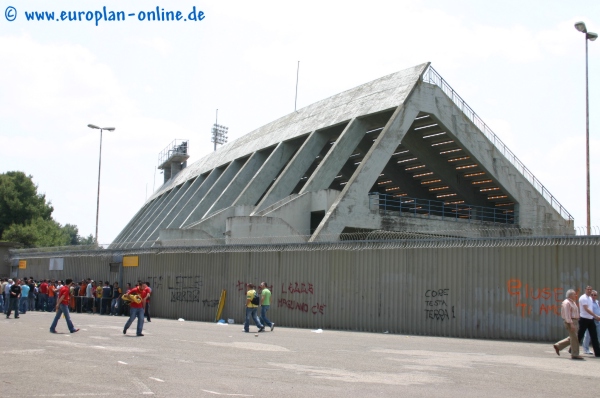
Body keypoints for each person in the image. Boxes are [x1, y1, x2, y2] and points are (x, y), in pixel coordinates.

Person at [553, 289, 583, 359]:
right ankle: (575, 354)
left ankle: (558, 346)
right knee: (574, 338)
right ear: (570, 295)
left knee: (573, 337)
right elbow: (567, 315)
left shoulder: (573, 302)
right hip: (570, 321)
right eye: (574, 294)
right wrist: (571, 324)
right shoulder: (566, 303)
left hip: (575, 321)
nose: (576, 295)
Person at [578, 285, 600, 357]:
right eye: (588, 289)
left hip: (590, 320)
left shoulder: (590, 298)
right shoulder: (583, 298)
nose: (589, 291)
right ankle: (572, 349)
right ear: (585, 290)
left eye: (590, 289)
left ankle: (597, 353)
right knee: (580, 335)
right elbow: (586, 309)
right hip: (584, 319)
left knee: (594, 336)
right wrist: (596, 316)